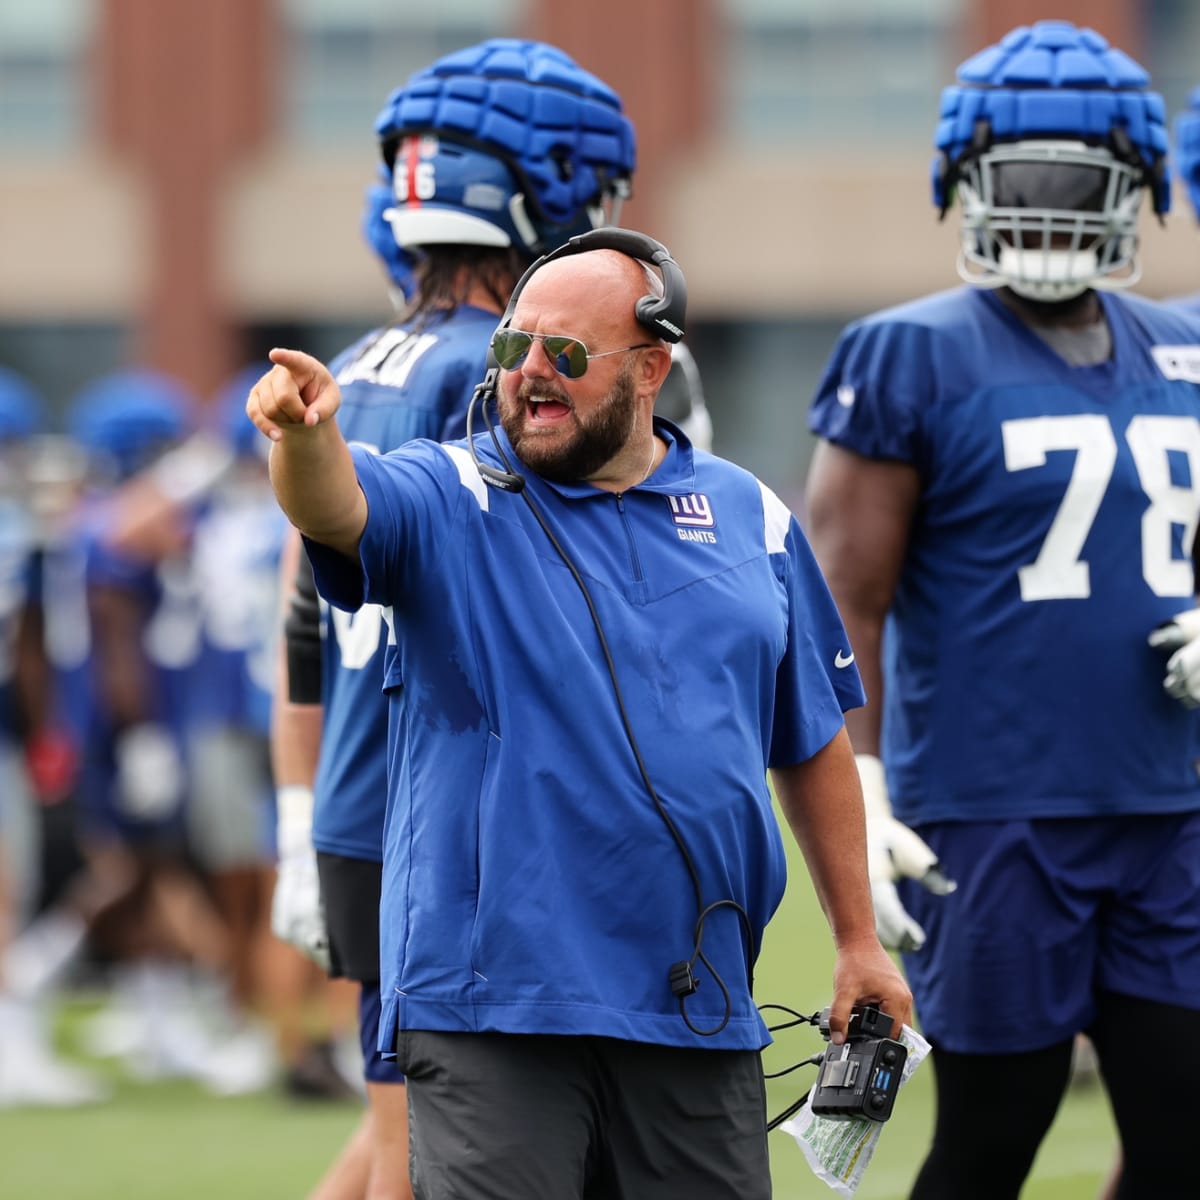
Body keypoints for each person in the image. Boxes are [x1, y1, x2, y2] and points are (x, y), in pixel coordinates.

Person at [249, 229, 910, 1199]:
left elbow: (809, 738)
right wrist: (305, 440)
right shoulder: (452, 490)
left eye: (565, 355)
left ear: (651, 367)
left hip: (696, 1005)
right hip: (492, 1013)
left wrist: (857, 940)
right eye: (514, 349)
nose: (529, 377)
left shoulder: (750, 515)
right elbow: (337, 508)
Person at [269, 38, 709, 1199]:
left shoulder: (364, 357)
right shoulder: (517, 368)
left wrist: (296, 810)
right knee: (430, 1154)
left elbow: (301, 620)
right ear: (550, 189)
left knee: (394, 1142)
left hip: (361, 803)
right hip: (461, 812)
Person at [803, 20, 1200, 1200]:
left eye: (1077, 182)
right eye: (1017, 178)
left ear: (1137, 187)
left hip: (1171, 804)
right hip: (995, 814)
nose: (1046, 206)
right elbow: (839, 596)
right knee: (995, 1134)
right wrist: (857, 784)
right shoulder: (909, 352)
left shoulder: (1184, 344)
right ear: (964, 180)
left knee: (1185, 1143)